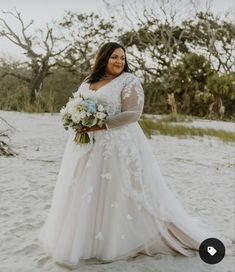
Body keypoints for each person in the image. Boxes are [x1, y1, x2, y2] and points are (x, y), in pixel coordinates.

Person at [38, 42, 212, 268]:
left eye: (122, 57)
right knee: (84, 189)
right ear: (103, 58)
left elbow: (133, 114)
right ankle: (87, 239)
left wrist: (98, 125)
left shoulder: (129, 81)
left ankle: (125, 239)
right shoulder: (87, 81)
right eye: (114, 57)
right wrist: (77, 120)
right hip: (85, 146)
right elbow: (76, 105)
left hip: (116, 144)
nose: (120, 61)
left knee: (121, 190)